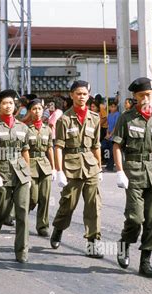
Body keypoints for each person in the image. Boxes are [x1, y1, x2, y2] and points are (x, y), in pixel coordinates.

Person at [112, 77, 152, 278]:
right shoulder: (126, 118)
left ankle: (145, 261)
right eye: (141, 95)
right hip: (133, 173)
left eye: (148, 94)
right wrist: (120, 171)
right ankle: (124, 243)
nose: (146, 98)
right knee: (135, 218)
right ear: (135, 97)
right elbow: (117, 146)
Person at [50, 80, 104, 258]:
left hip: (91, 165)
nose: (82, 97)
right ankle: (58, 228)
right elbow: (58, 147)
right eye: (78, 93)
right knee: (68, 204)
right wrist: (59, 171)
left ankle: (92, 243)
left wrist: (100, 167)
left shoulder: (94, 118)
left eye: (85, 94)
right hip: (71, 166)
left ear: (89, 96)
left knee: (93, 205)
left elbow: (96, 145)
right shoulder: (64, 119)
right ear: (72, 95)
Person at [0, 89, 31, 263]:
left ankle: (21, 251)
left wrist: (29, 175)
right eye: (4, 103)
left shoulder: (22, 127)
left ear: (15, 106)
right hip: (2, 171)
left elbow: (25, 152)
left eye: (11, 103)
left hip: (21, 173)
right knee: (2, 212)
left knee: (22, 212)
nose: (8, 106)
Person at [26, 98, 56, 237]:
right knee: (33, 197)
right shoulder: (26, 129)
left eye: (39, 109)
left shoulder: (47, 129)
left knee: (45, 197)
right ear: (30, 111)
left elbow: (50, 148)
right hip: (30, 164)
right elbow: (23, 151)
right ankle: (21, 216)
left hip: (45, 165)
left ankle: (42, 225)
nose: (37, 112)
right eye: (34, 109)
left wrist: (55, 168)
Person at [102, 100, 120, 172]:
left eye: (114, 106)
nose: (113, 108)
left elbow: (116, 126)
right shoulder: (109, 115)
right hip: (109, 135)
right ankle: (109, 166)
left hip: (114, 135)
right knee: (108, 150)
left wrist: (110, 135)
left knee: (113, 152)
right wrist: (107, 134)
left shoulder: (117, 114)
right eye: (111, 106)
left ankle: (110, 167)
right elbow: (108, 125)